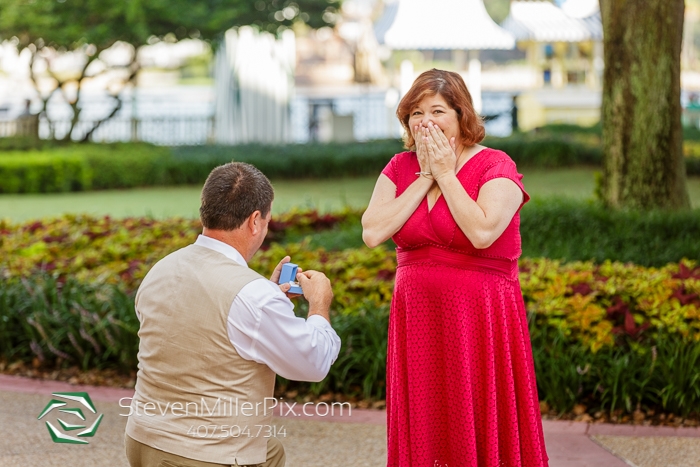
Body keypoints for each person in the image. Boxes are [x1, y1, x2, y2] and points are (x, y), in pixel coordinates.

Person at [362, 69, 549, 467]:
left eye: (436, 110)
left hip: (478, 322)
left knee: (475, 417)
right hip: (418, 321)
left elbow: (482, 231)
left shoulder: (496, 165)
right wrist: (424, 177)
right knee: (425, 421)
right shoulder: (399, 167)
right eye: (415, 113)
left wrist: (446, 175)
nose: (424, 121)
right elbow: (373, 231)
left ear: (461, 115)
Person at [124, 162, 341, 467]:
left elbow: (195, 326)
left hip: (143, 440)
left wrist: (268, 297)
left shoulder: (162, 268)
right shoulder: (252, 296)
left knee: (270, 451)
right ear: (255, 221)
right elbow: (313, 363)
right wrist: (319, 305)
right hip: (203, 454)